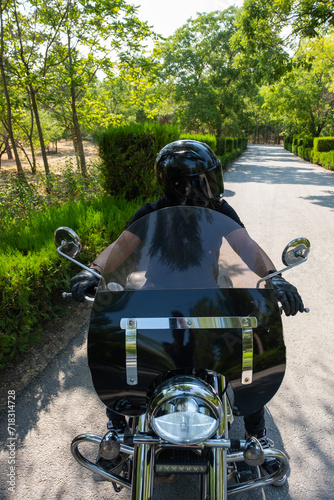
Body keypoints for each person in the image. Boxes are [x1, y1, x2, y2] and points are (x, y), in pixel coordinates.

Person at [71, 140, 304, 483]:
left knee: (245, 352)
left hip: (208, 295)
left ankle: (258, 435)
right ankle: (117, 432)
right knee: (121, 347)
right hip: (156, 295)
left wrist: (273, 279)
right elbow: (120, 247)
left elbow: (247, 246)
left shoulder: (221, 211)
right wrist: (92, 269)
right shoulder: (151, 212)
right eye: (204, 178)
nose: (210, 184)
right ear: (183, 182)